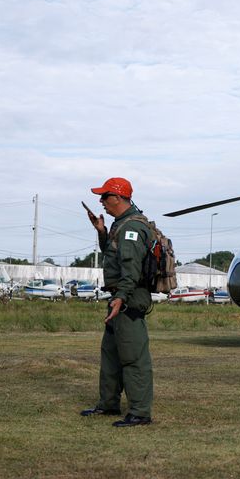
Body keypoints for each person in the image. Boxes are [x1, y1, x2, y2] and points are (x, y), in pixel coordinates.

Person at [80, 177, 154, 427]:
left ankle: (140, 412)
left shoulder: (132, 228)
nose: (101, 202)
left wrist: (121, 298)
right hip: (119, 297)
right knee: (110, 354)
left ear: (118, 197)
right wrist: (101, 233)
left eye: (104, 196)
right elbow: (114, 256)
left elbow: (131, 269)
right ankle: (108, 404)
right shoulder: (119, 225)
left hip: (129, 299)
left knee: (133, 357)